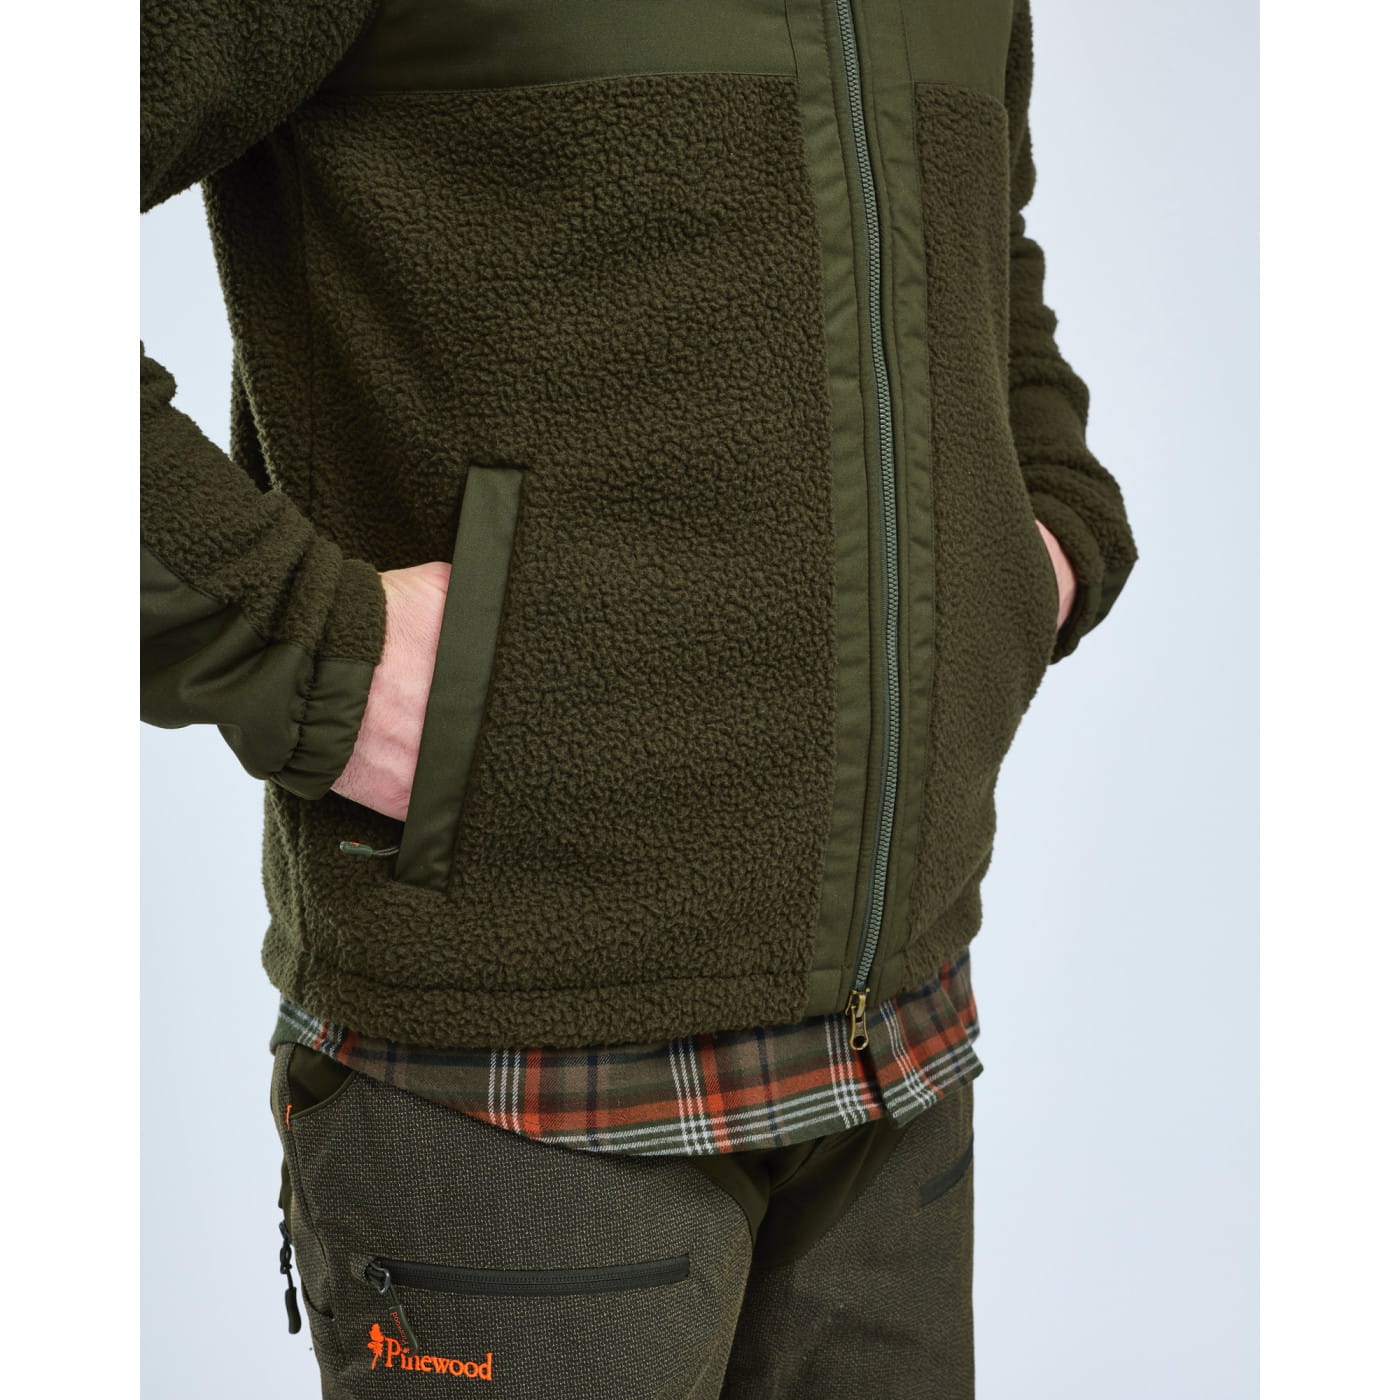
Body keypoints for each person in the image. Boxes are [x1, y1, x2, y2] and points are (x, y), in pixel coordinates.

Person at [141, 1, 1138, 1396]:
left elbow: (980, 230)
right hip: (512, 1081)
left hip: (901, 1053)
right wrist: (300, 646)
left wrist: (1046, 525)